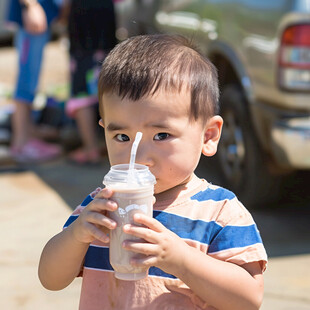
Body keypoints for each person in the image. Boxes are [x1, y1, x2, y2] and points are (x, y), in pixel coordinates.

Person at [38, 34, 267, 309]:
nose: (140, 159)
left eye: (161, 135)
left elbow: (249, 299)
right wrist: (76, 235)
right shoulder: (102, 207)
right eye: (122, 137)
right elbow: (50, 279)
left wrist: (180, 259)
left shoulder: (219, 212)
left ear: (208, 136)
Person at [7, 0, 63, 163]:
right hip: (32, 18)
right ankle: (22, 143)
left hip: (38, 16)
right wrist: (30, 5)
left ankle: (26, 136)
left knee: (31, 80)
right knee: (26, 81)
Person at [65, 0, 117, 164]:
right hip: (106, 35)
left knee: (82, 95)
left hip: (82, 40)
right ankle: (116, 148)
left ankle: (90, 148)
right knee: (110, 93)